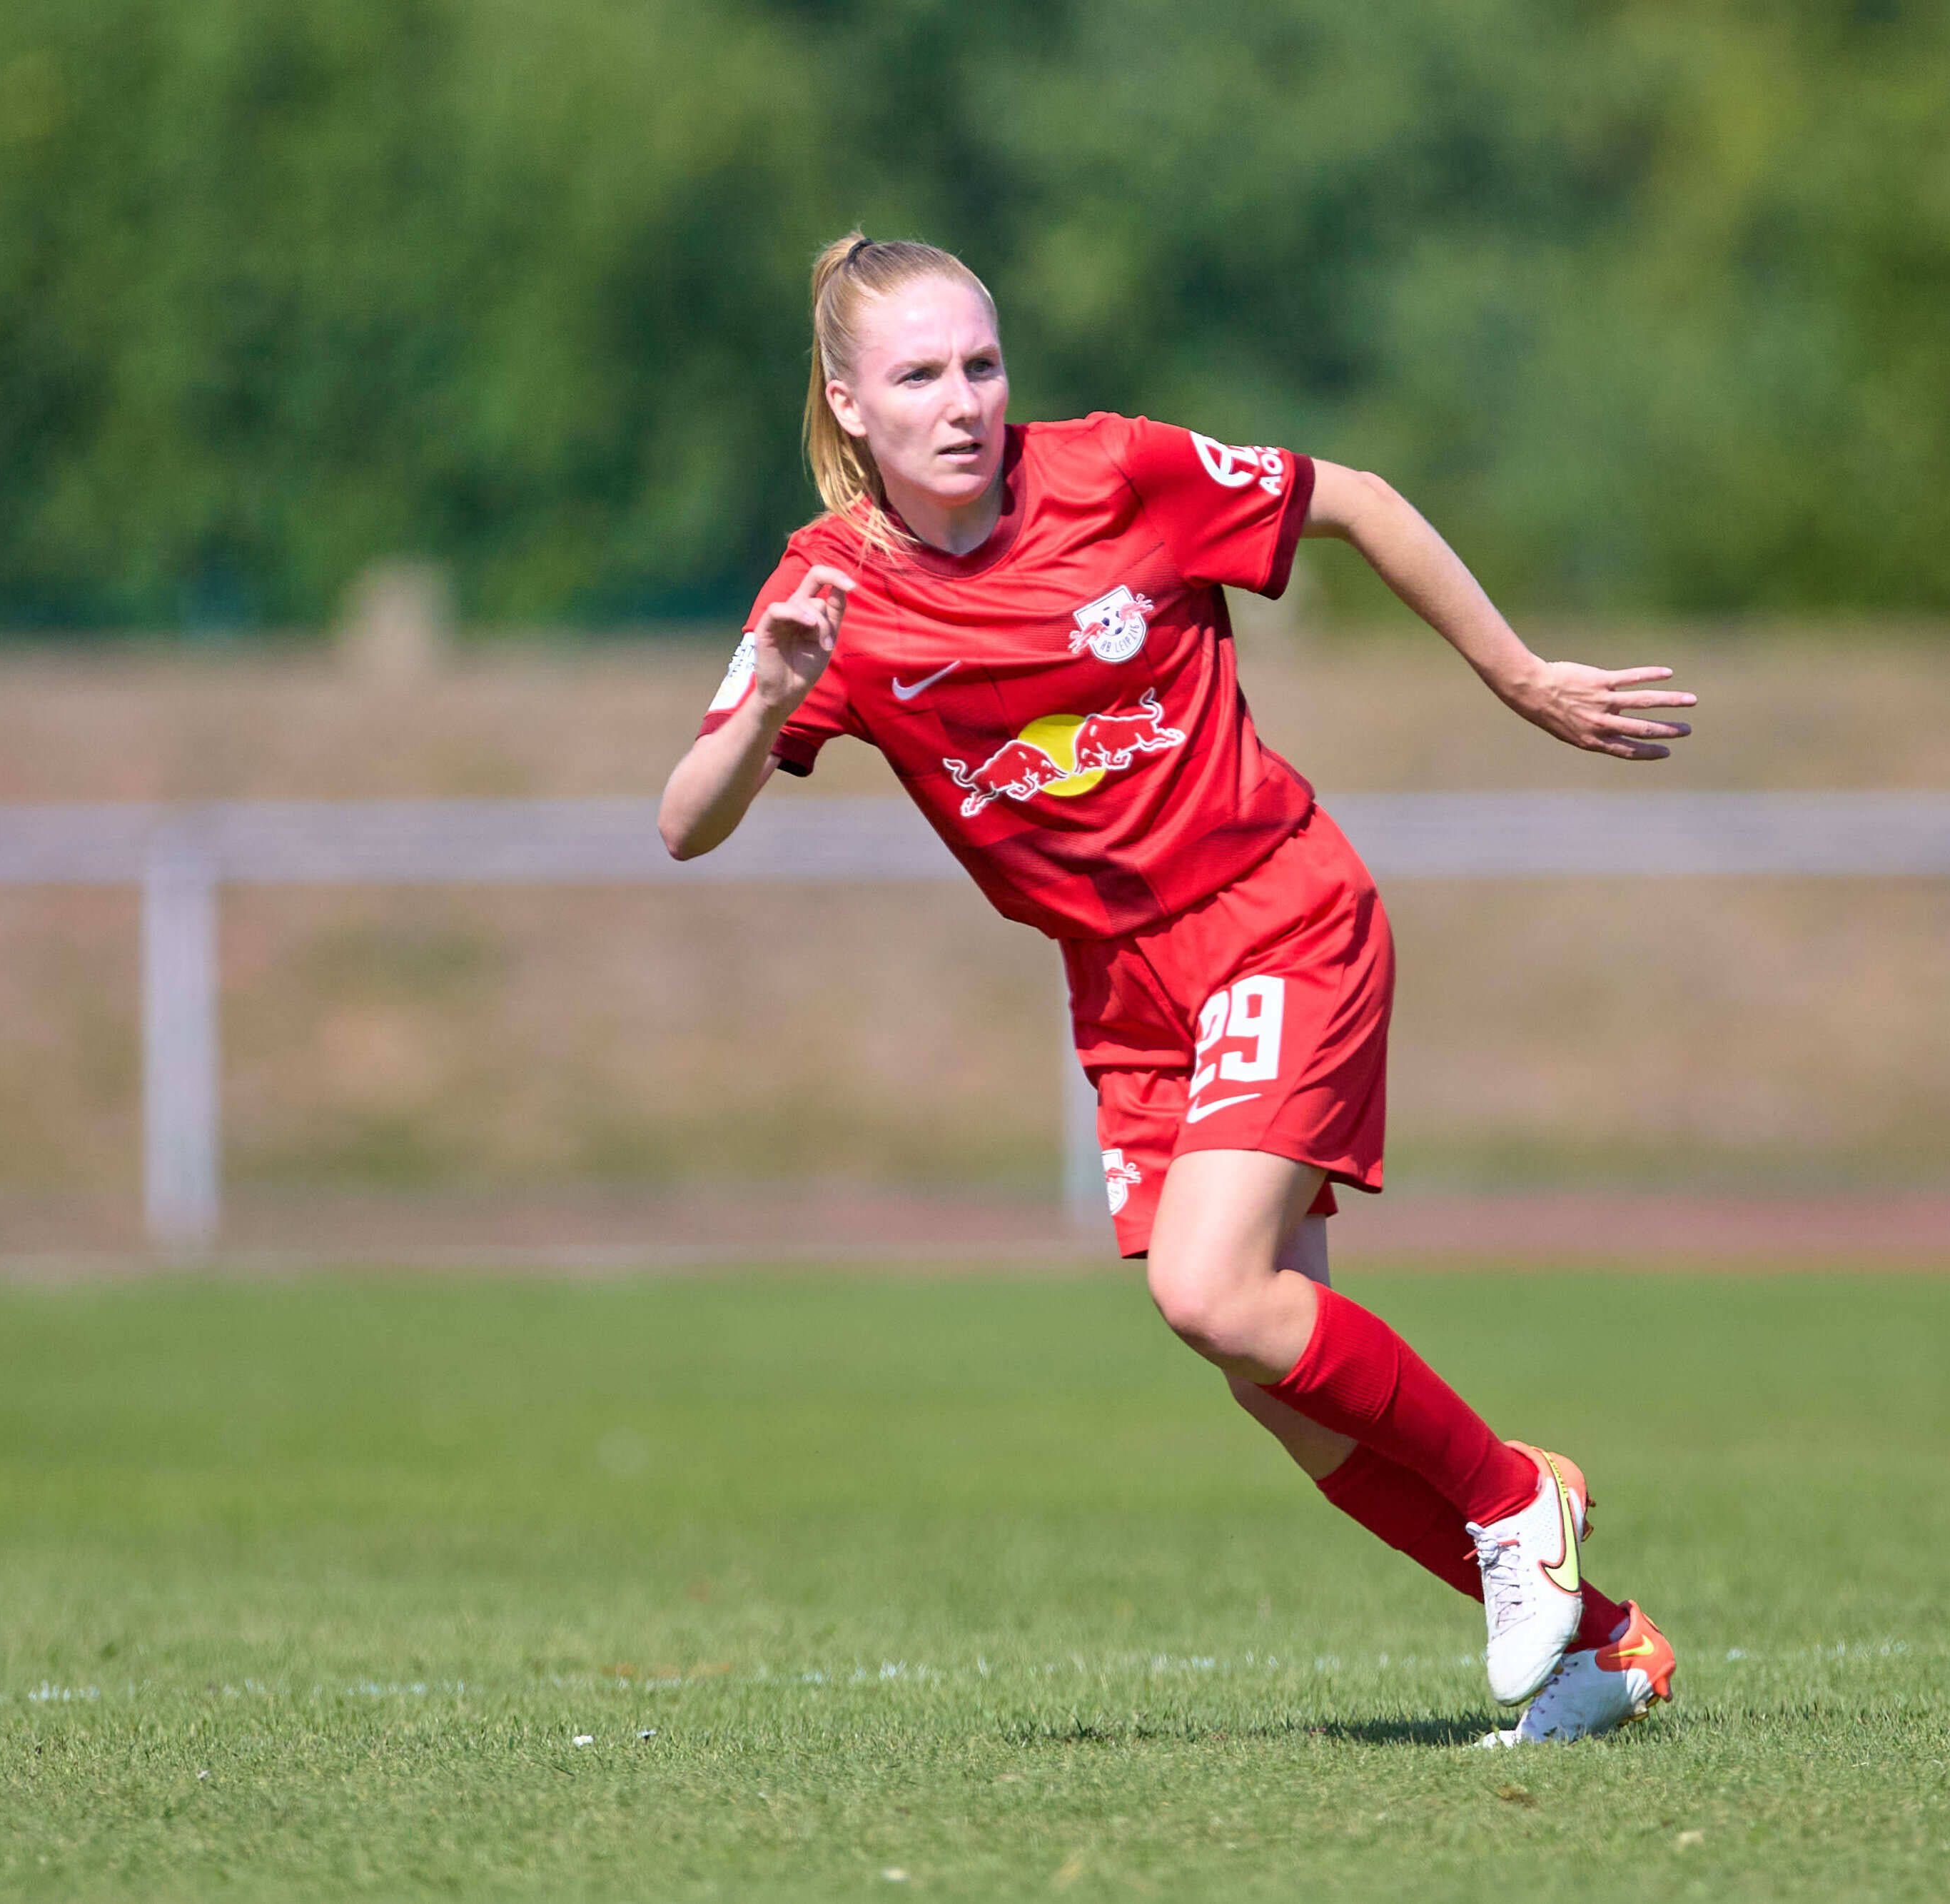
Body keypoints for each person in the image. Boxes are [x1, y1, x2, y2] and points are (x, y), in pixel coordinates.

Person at [659, 233, 1689, 1738]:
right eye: (918, 375)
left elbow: (1355, 501)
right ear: (847, 405)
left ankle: (1516, 1496)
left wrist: (1516, 672)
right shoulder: (830, 592)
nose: (963, 401)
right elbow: (685, 818)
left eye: (980, 363)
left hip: (1272, 911)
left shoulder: (1113, 473)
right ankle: (1598, 1644)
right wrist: (770, 697)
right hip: (1126, 991)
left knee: (1213, 1293)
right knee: (1272, 1375)